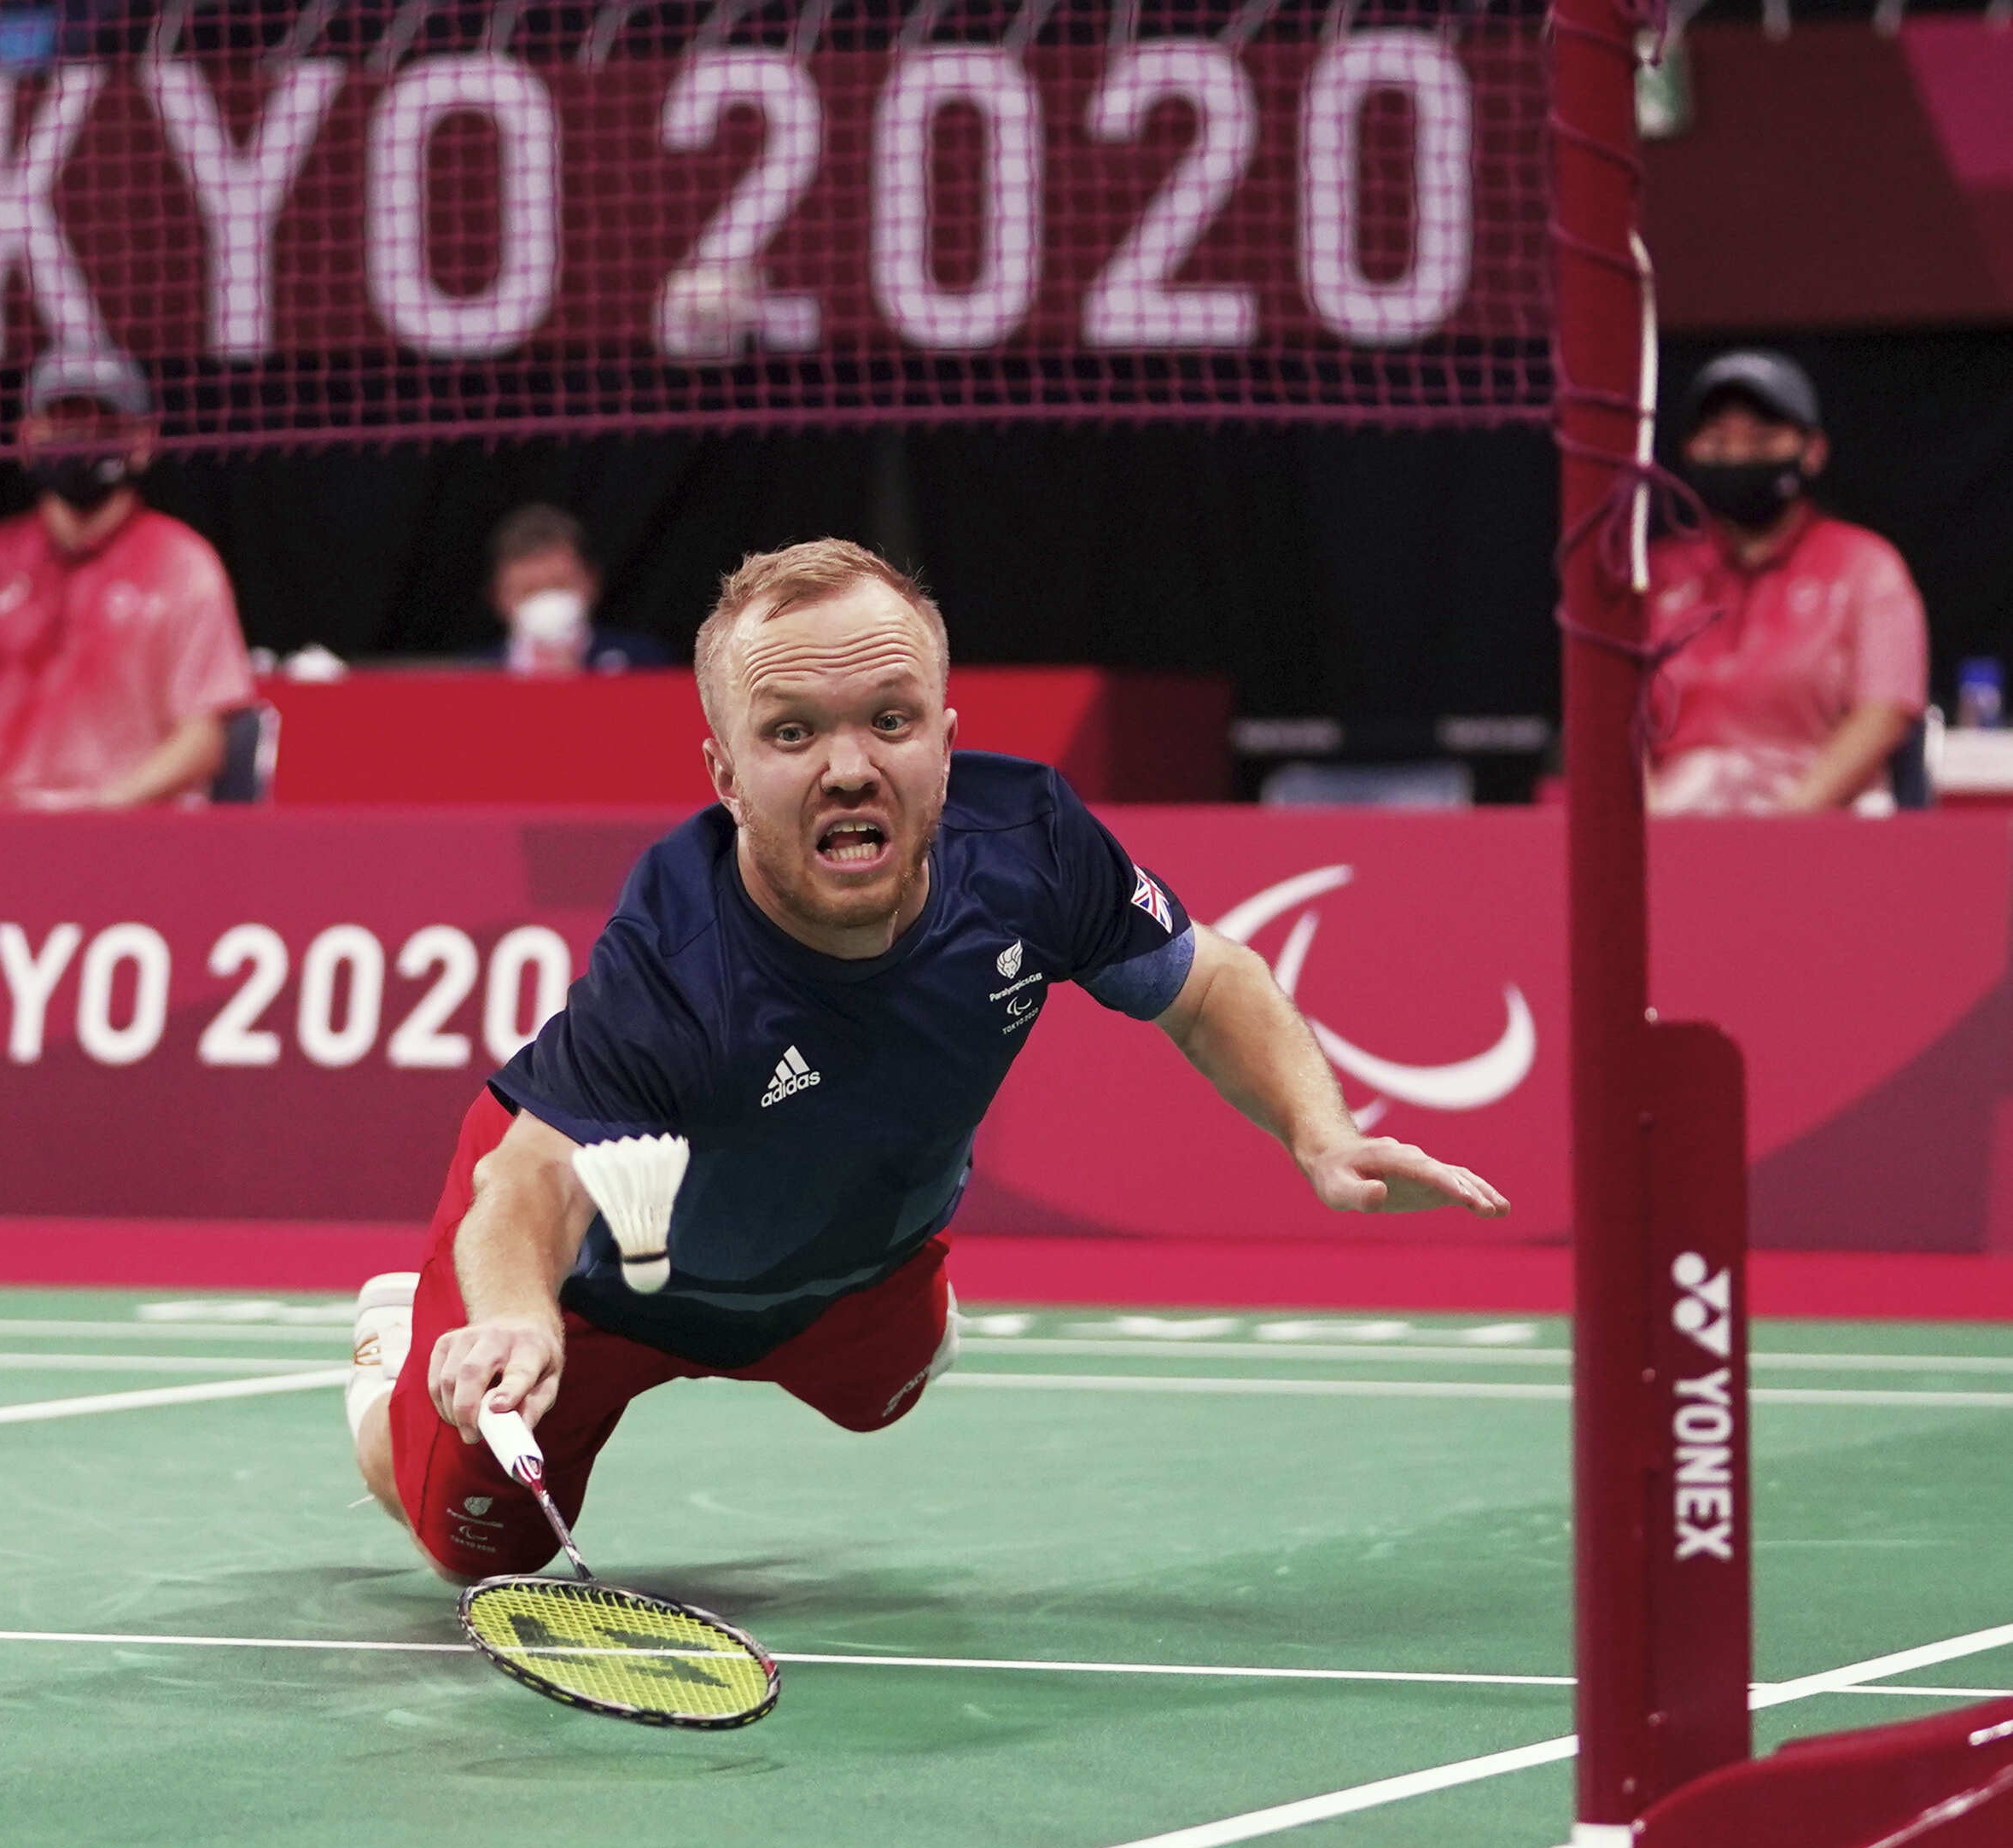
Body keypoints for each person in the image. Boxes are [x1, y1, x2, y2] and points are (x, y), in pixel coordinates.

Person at [346, 538, 1508, 1580]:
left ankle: (883, 1296)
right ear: (725, 777)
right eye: (792, 731)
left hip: (843, 1273)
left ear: (946, 746)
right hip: (606, 1291)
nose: (850, 767)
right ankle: (396, 1349)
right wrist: (514, 1318)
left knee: (886, 1398)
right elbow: (532, 1179)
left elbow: (1208, 981)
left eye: (889, 721)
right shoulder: (673, 958)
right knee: (473, 1552)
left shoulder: (1029, 848)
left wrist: (1323, 1131)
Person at [0, 355, 256, 810]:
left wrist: (98, 811)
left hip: (132, 836)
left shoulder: (184, 565)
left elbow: (205, 739)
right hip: (1, 835)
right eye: (64, 421)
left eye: (101, 423)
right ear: (28, 437)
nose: (81, 439)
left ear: (142, 441)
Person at [1646, 350, 1930, 815]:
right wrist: (1648, 828)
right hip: (1675, 820)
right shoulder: (1655, 574)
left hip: (1824, 824)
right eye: (1717, 441)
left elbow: (1885, 712)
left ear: (1812, 450)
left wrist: (1789, 822)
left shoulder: (1866, 566)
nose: (1737, 456)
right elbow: (1609, 721)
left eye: (1760, 439)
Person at [484, 504, 673, 677]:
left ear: (591, 582)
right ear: (499, 597)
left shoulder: (644, 663)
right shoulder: (472, 675)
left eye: (559, 585)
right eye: (528, 591)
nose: (546, 602)